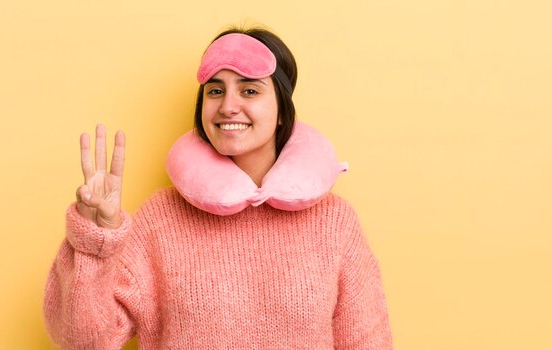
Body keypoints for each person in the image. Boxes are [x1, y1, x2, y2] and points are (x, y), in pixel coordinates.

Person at [43, 27, 393, 349]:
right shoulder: (160, 220)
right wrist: (94, 241)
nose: (227, 106)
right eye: (215, 90)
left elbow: (369, 343)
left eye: (250, 89)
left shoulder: (334, 222)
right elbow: (85, 341)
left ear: (283, 110)